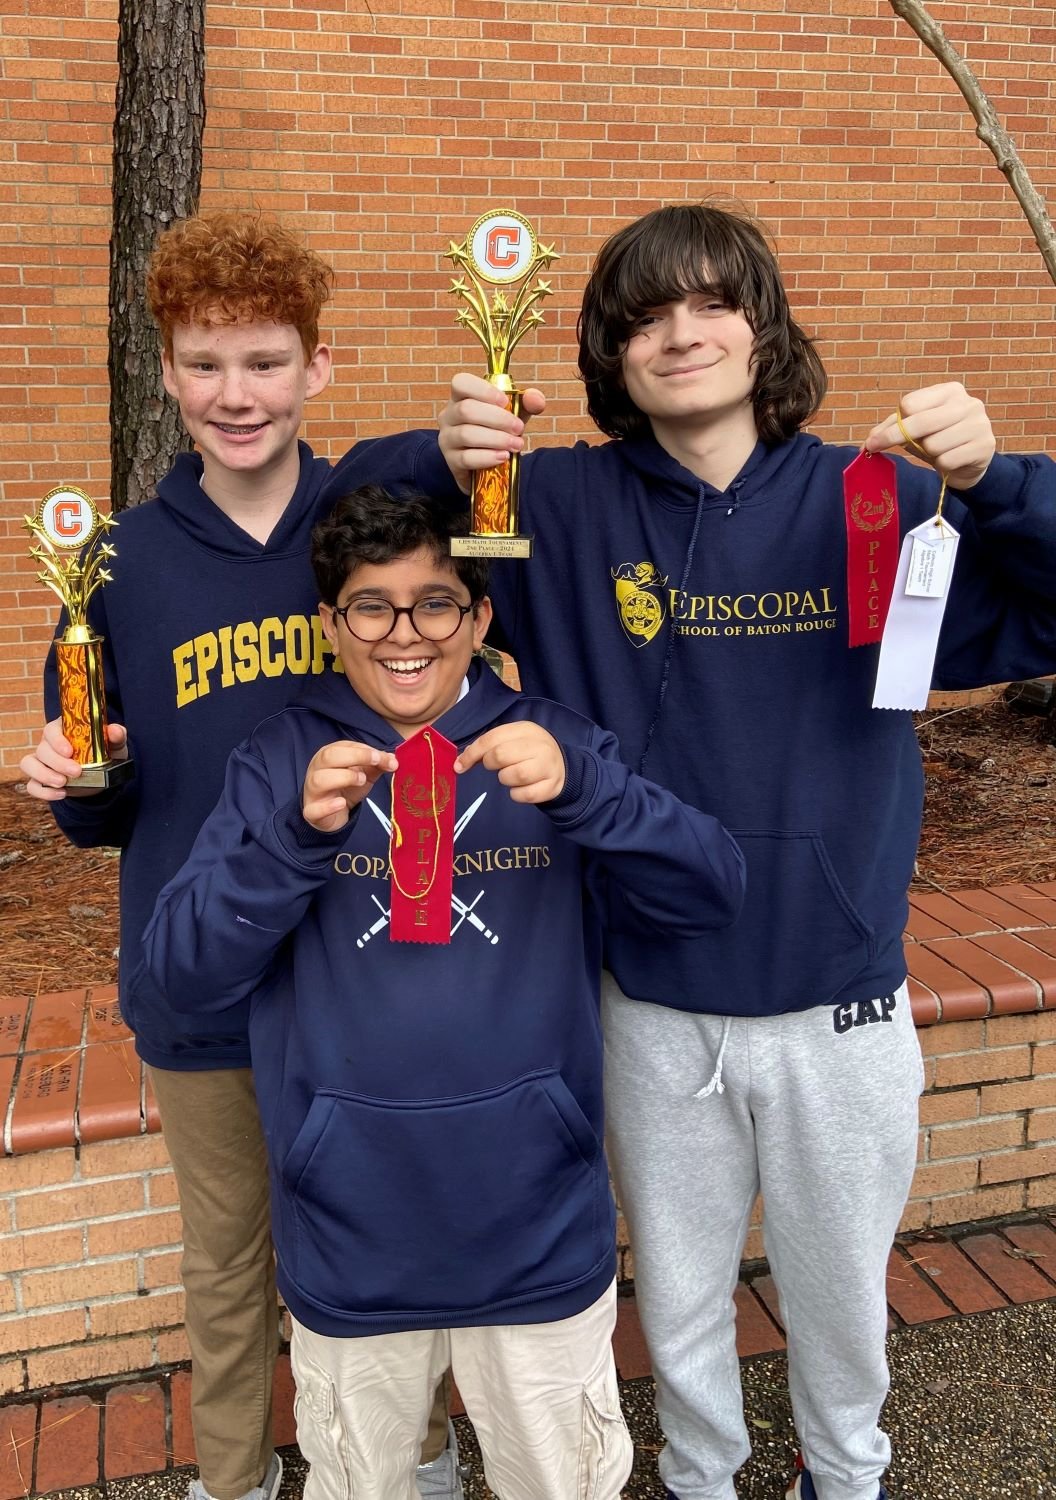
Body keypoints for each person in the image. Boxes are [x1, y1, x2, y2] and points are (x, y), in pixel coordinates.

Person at [435, 202, 1056, 1500]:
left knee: (839, 1297)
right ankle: (704, 1475)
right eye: (645, 315)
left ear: (764, 329)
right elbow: (347, 543)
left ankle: (848, 1474)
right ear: (611, 354)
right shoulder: (550, 505)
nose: (681, 333)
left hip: (840, 1000)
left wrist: (1003, 480)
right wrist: (444, 446)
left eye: (713, 302)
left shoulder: (875, 497)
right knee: (682, 1288)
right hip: (658, 1006)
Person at [141, 485, 745, 1500]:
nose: (404, 634)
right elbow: (180, 976)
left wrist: (590, 792)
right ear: (332, 624)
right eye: (371, 606)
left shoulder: (556, 745)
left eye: (436, 603)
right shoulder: (279, 762)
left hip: (535, 1231)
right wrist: (290, 842)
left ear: (480, 616)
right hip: (351, 1238)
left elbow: (711, 891)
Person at [19, 212, 466, 1500]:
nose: (236, 394)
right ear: (164, 370)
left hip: (369, 959)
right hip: (203, 978)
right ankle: (236, 1478)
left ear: (316, 370)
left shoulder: (377, 526)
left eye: (266, 362)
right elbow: (106, 814)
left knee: (382, 1227)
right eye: (206, 363)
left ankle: (415, 1458)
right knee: (228, 1261)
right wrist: (70, 778)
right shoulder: (111, 564)